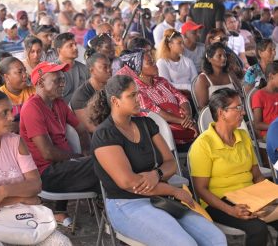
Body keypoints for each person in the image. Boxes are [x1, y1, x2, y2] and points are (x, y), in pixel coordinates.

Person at [89, 75, 227, 246]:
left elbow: (171, 163)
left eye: (137, 93)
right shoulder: (105, 134)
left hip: (161, 196)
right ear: (115, 101)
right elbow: (130, 183)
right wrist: (174, 190)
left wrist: (156, 173)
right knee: (185, 244)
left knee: (217, 239)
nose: (138, 99)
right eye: (131, 96)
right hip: (127, 204)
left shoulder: (146, 124)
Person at [0, 89, 71, 246]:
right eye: (4, 113)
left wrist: (2, 192)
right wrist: (23, 197)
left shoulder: (16, 142)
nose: (11, 117)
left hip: (23, 218)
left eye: (11, 111)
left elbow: (36, 185)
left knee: (61, 243)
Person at [189, 88, 278, 246]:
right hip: (219, 202)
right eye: (237, 108)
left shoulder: (242, 136)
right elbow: (200, 190)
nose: (243, 112)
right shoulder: (203, 145)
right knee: (257, 229)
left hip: (251, 196)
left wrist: (272, 195)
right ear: (221, 112)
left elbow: (257, 176)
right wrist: (231, 210)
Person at [19, 61, 99, 227]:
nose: (63, 84)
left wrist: (85, 150)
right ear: (40, 82)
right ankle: (113, 211)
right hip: (46, 174)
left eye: (63, 79)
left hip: (65, 167)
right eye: (57, 80)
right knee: (104, 164)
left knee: (106, 163)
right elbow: (47, 153)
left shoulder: (58, 103)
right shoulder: (32, 108)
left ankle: (109, 207)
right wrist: (78, 158)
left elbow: (82, 129)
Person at [117, 50, 197, 148]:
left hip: (182, 122)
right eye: (150, 63)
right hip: (162, 131)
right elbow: (155, 113)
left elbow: (181, 97)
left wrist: (188, 116)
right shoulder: (137, 90)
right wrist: (183, 121)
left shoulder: (162, 81)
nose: (155, 65)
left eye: (154, 61)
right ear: (139, 70)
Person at [70, 53, 111, 133]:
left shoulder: (111, 87)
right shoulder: (81, 96)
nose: (109, 70)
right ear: (92, 70)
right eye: (105, 67)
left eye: (109, 66)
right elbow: (91, 128)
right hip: (98, 138)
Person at [194, 43, 240, 111]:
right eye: (219, 56)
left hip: (234, 112)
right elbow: (202, 106)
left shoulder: (230, 74)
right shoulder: (203, 79)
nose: (224, 58)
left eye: (225, 55)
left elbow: (240, 95)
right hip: (214, 116)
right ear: (209, 59)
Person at [156, 29, 197, 95]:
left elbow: (195, 81)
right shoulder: (161, 63)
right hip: (174, 96)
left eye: (183, 43)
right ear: (170, 45)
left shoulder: (188, 61)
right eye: (179, 43)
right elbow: (166, 84)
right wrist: (187, 87)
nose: (183, 46)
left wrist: (191, 89)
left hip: (192, 94)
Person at [54, 33, 89, 103]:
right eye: (70, 46)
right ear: (59, 50)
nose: (75, 48)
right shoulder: (53, 71)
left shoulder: (84, 69)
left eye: (75, 44)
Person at [251, 61, 278, 139]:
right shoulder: (259, 95)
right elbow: (257, 124)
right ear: (271, 76)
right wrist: (275, 127)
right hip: (270, 133)